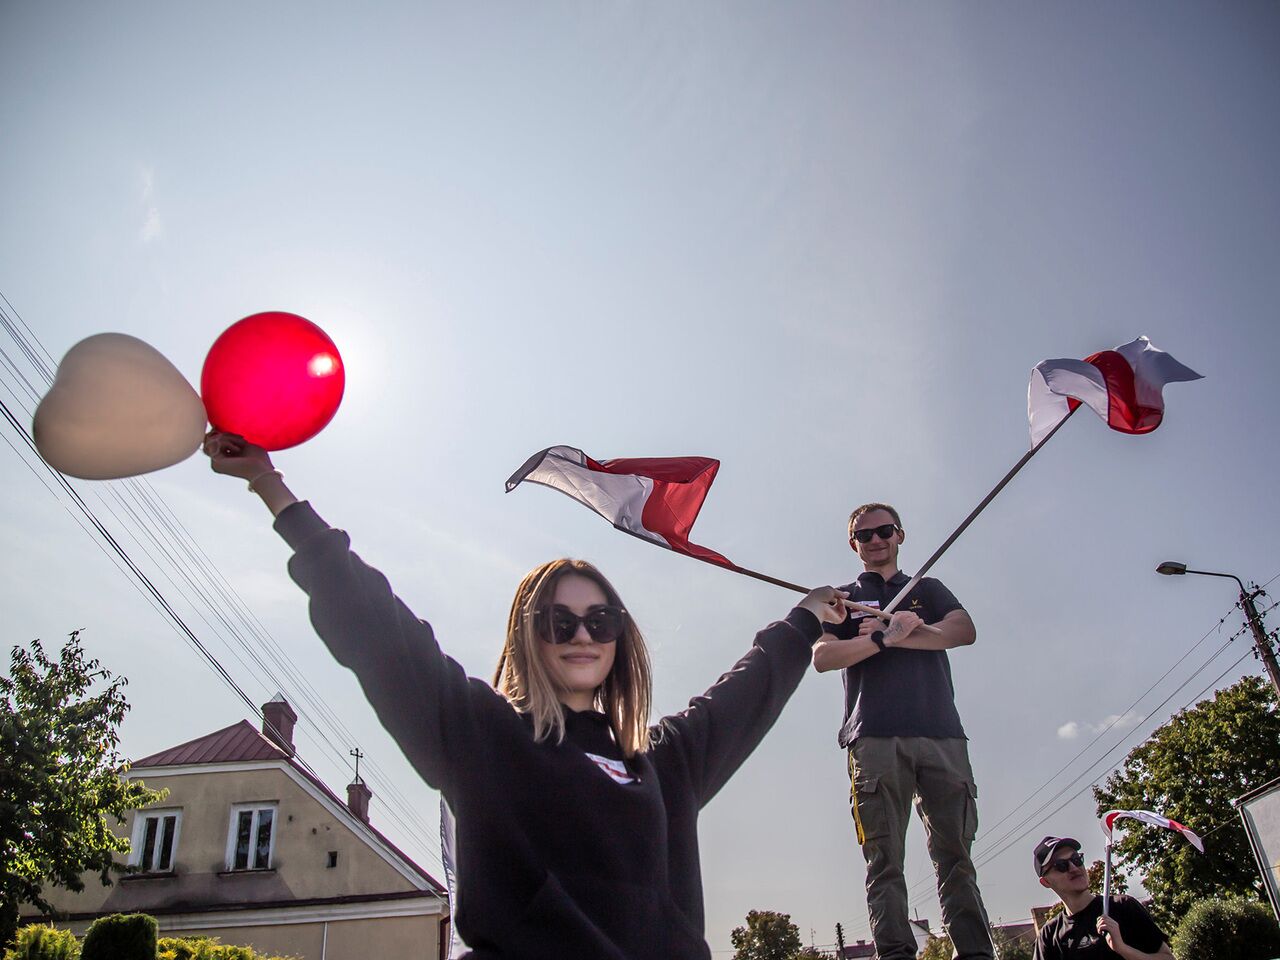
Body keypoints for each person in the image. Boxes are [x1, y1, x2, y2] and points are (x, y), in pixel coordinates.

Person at [204, 431, 848, 960]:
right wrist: (270, 485)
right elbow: (378, 627)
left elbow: (747, 689)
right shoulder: (481, 733)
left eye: (600, 621)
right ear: (527, 636)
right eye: (557, 621)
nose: (581, 636)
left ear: (621, 638)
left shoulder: (663, 760)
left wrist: (805, 619)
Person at [812, 502, 992, 960]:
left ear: (899, 535)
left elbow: (962, 630)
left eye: (884, 531)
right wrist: (877, 640)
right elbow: (823, 657)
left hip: (941, 735)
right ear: (854, 544)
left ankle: (974, 953)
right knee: (885, 860)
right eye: (865, 535)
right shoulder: (843, 598)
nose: (875, 540)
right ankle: (895, 953)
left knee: (956, 856)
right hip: (873, 738)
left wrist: (903, 630)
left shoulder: (925, 588)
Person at [1032, 836, 1173, 959]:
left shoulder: (1123, 907)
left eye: (1076, 859)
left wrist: (1123, 949)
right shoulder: (1049, 936)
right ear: (1046, 882)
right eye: (1061, 865)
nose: (1074, 868)